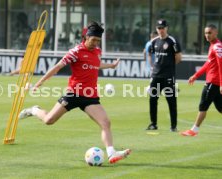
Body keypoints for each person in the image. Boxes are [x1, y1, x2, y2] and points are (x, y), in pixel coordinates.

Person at [18, 21, 131, 164]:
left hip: (90, 96)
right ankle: (34, 110)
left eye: (98, 40)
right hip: (73, 94)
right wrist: (41, 82)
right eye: (93, 40)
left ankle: (111, 153)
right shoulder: (75, 52)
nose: (96, 43)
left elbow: (96, 64)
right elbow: (57, 67)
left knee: (106, 122)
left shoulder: (97, 51)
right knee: (49, 121)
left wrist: (111, 65)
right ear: (86, 37)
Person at [181, 24, 222, 136]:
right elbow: (208, 63)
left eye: (209, 33)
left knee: (203, 105)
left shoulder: (217, 46)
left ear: (216, 33)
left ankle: (194, 130)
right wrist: (196, 75)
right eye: (205, 33)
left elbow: (221, 64)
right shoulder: (213, 45)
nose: (207, 35)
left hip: (213, 82)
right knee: (220, 107)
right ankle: (194, 130)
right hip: (214, 82)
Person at [146, 19, 182, 132]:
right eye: (159, 28)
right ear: (156, 29)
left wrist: (169, 67)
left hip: (168, 76)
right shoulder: (154, 41)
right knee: (153, 99)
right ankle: (153, 124)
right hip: (156, 75)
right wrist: (153, 68)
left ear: (167, 28)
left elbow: (178, 58)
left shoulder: (173, 41)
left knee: (171, 100)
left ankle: (173, 126)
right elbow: (150, 54)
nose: (160, 30)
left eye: (162, 28)